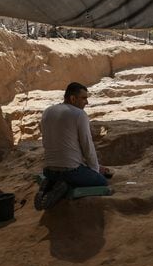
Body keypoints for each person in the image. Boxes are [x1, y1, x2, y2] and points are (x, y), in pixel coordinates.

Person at [35, 82, 113, 210]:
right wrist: (95, 170)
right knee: (102, 181)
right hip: (70, 171)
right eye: (83, 98)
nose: (86, 102)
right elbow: (87, 147)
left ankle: (50, 184)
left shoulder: (48, 111)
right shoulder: (79, 114)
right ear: (72, 98)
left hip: (48, 170)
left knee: (67, 172)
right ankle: (64, 187)